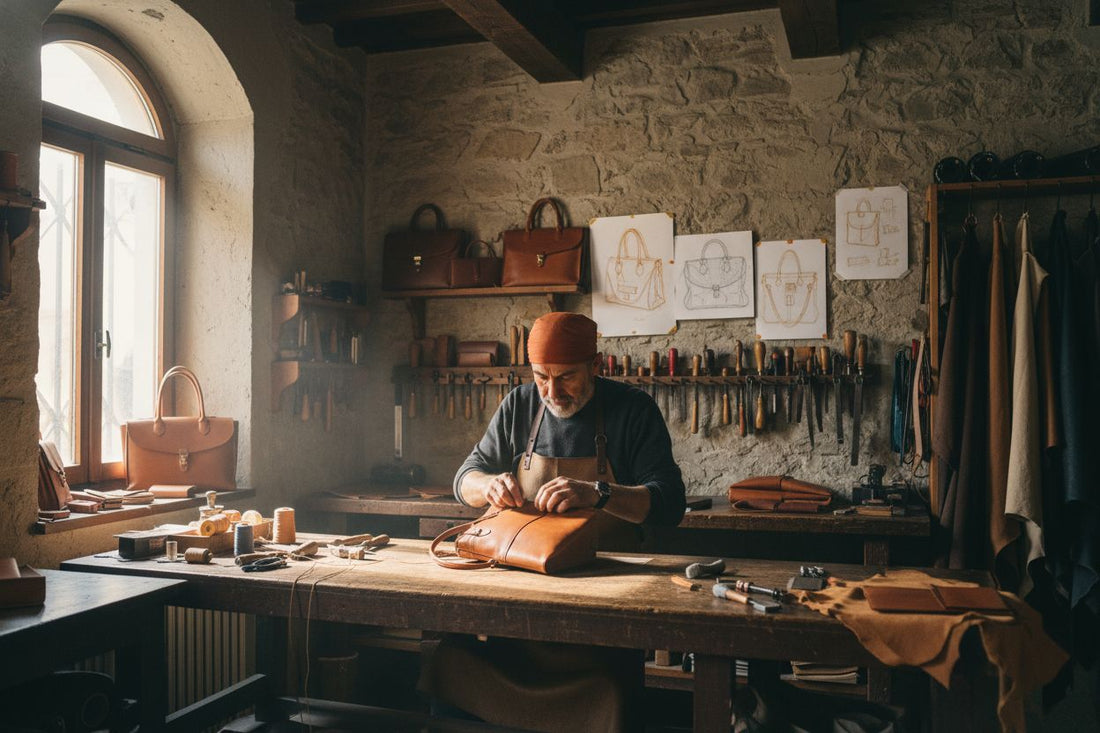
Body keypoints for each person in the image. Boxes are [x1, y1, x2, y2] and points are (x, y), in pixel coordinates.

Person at [421, 311, 686, 732]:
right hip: (521, 603)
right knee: (453, 661)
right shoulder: (520, 405)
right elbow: (464, 479)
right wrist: (488, 485)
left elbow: (671, 504)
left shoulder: (633, 410)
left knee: (608, 694)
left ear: (596, 366)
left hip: (605, 609)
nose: (552, 391)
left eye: (565, 377)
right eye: (542, 376)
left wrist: (599, 493)